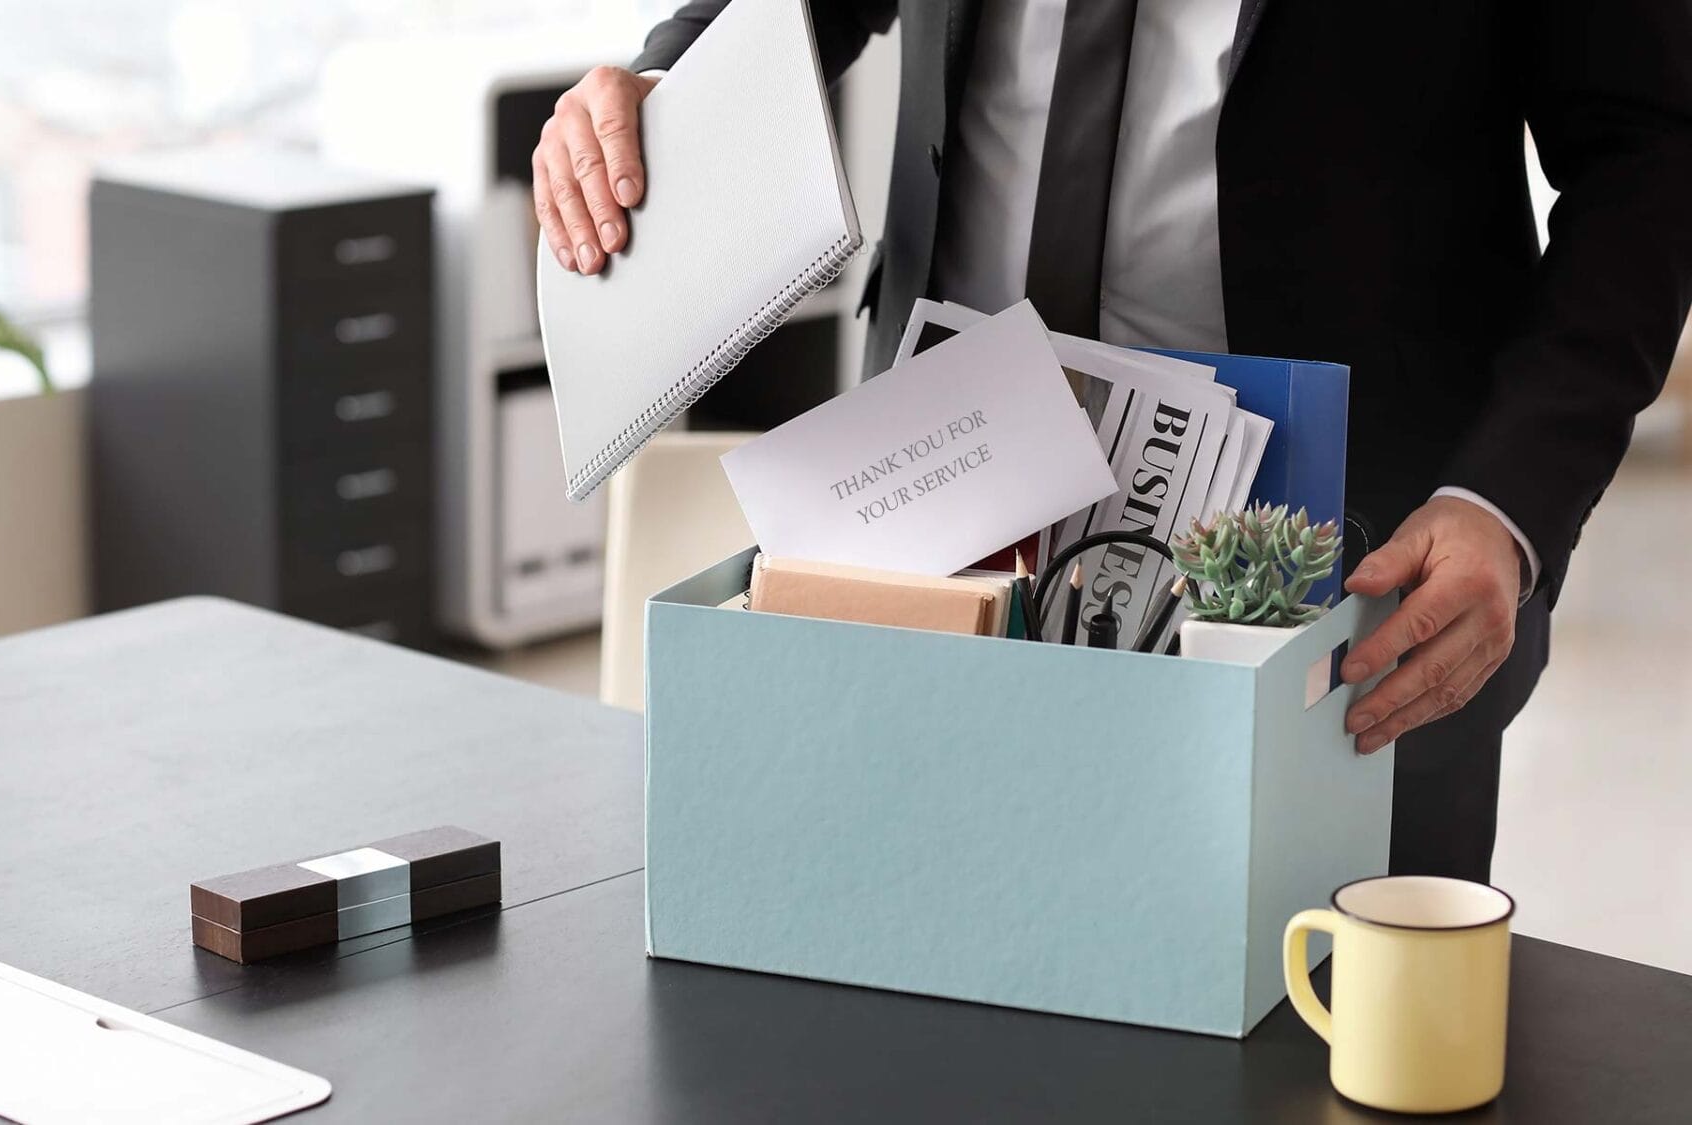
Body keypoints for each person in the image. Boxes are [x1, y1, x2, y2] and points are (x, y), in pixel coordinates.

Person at [532, 0, 1692, 883]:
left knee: (1327, 1054)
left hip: (1345, 545)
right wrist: (658, 79)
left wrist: (1508, 499)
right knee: (911, 1016)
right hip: (939, 503)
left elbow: (1651, 152)